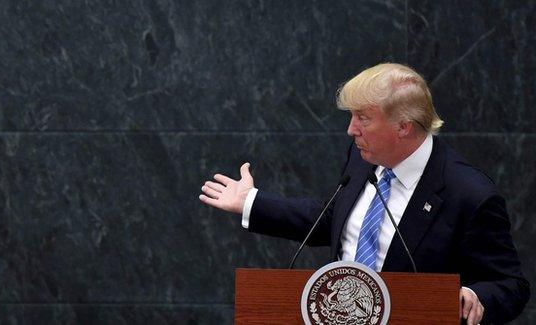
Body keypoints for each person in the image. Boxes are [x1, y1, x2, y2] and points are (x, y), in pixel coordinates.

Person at [200, 63, 529, 325]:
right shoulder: (362, 157)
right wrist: (252, 203)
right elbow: (335, 219)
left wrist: (475, 296)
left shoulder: (470, 194)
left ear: (404, 126)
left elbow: (510, 285)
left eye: (363, 118)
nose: (351, 129)